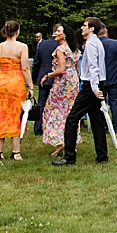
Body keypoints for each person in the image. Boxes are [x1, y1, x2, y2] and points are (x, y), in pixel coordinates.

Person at [53, 17, 109, 166]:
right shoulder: (97, 42)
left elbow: (94, 67)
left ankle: (69, 156)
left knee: (72, 118)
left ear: (92, 29)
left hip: (91, 85)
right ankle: (102, 155)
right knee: (97, 120)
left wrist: (94, 88)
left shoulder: (91, 44)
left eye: (85, 25)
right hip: (97, 83)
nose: (82, 28)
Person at [0, 21, 34, 160]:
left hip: (1, 82)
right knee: (16, 115)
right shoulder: (22, 47)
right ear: (17, 31)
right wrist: (31, 86)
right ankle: (16, 152)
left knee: (0, 114)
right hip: (15, 83)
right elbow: (25, 68)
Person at [40, 24, 81, 157]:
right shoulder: (74, 49)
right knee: (69, 111)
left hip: (62, 83)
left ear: (65, 35)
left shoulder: (60, 49)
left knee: (54, 110)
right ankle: (68, 142)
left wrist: (47, 76)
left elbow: (61, 69)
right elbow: (76, 68)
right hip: (73, 82)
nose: (55, 33)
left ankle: (61, 142)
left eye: (58, 31)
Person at [31, 27, 59, 137]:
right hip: (57, 76)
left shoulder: (42, 44)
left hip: (43, 76)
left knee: (41, 103)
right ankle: (54, 127)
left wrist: (34, 78)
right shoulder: (61, 45)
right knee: (56, 103)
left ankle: (37, 128)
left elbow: (36, 62)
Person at [99, 26, 117, 134]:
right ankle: (116, 126)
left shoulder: (96, 44)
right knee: (114, 102)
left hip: (101, 77)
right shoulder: (115, 43)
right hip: (114, 76)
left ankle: (104, 126)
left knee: (102, 102)